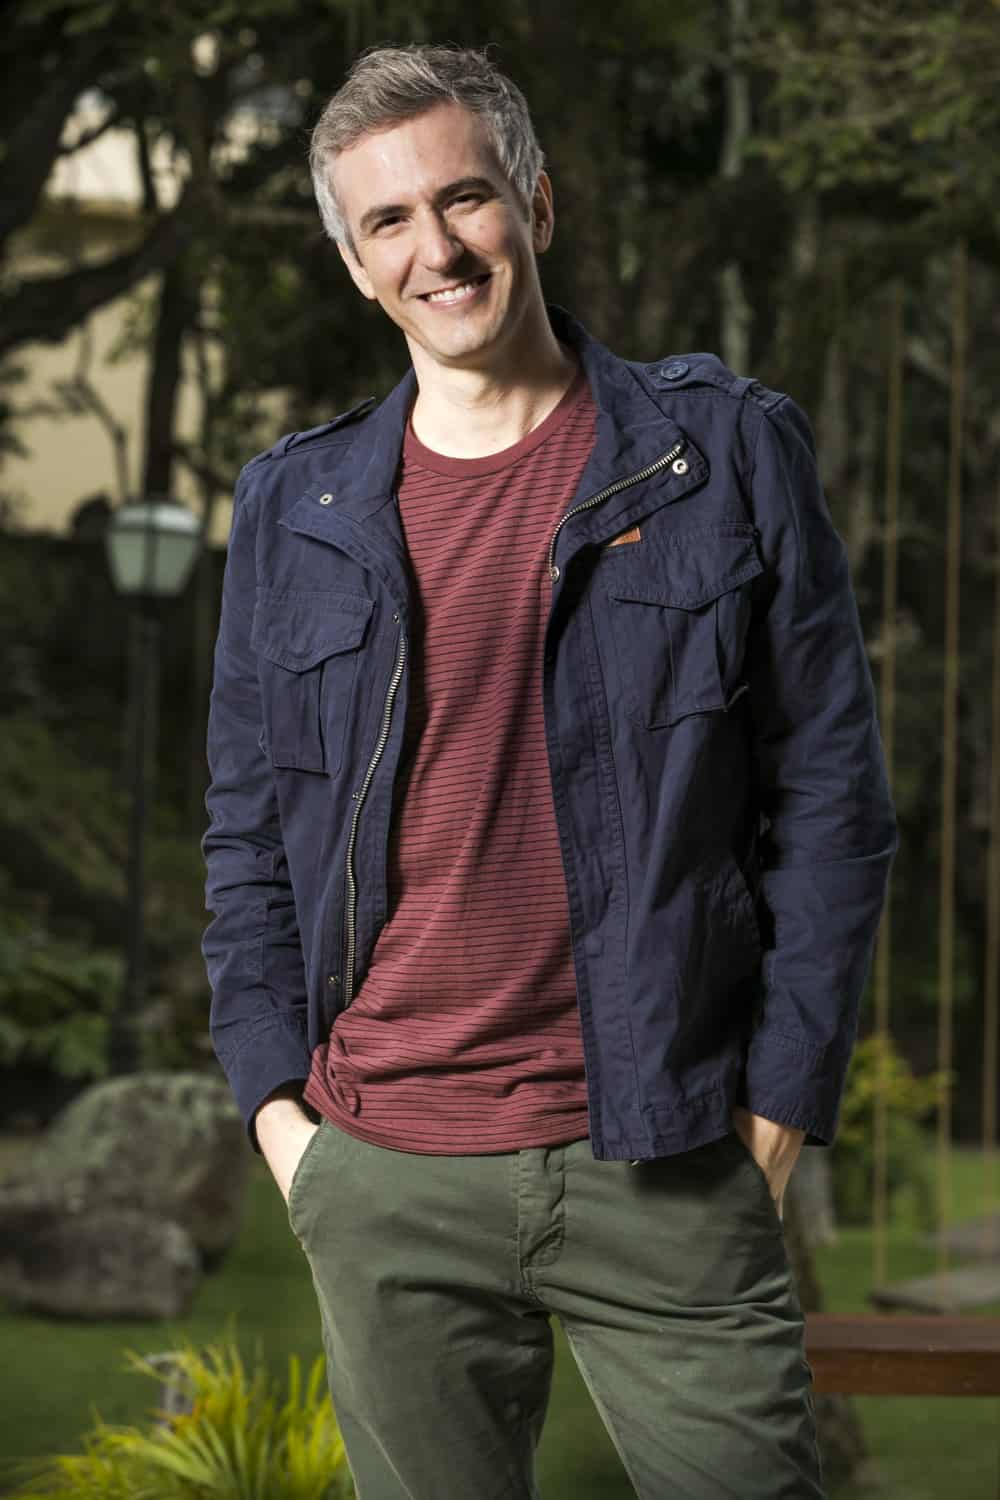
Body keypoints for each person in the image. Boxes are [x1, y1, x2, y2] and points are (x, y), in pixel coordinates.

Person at [202, 41, 897, 1500]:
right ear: (356, 265)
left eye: (465, 198)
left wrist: (779, 1106)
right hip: (382, 1166)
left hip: (666, 1150)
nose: (438, 249)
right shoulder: (292, 508)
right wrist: (283, 1121)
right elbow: (248, 835)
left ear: (537, 203)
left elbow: (833, 805)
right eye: (389, 221)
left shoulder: (725, 453)